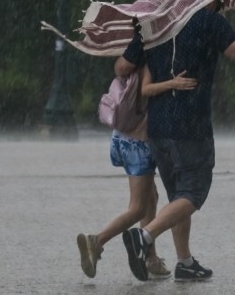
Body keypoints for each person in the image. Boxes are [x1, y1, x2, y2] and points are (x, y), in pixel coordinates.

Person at [119, 0, 235, 282]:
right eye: (220, 4)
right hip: (191, 126)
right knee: (193, 193)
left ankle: (185, 262)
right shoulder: (209, 21)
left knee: (177, 196)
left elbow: (122, 67)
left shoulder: (155, 24)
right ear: (211, 2)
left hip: (157, 127)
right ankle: (144, 237)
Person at [75, 56, 187, 280]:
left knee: (151, 197)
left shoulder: (132, 55)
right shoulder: (151, 57)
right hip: (138, 143)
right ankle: (96, 241)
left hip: (122, 136)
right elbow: (146, 90)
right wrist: (172, 84)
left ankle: (151, 258)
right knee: (137, 207)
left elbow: (122, 69)